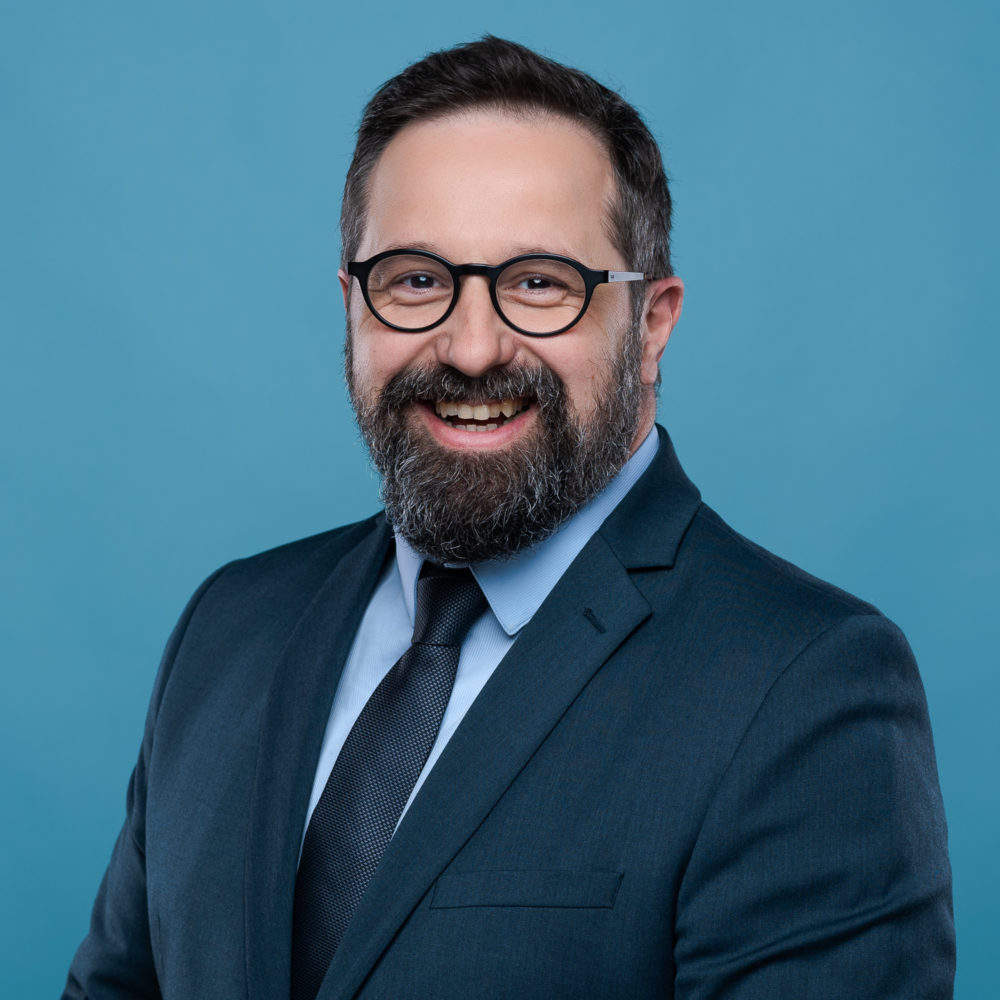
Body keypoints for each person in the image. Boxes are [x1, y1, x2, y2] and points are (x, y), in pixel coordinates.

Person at [64, 36, 955, 999]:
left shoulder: (805, 686)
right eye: (415, 279)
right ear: (353, 305)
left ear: (651, 324)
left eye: (539, 282)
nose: (473, 348)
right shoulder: (228, 626)